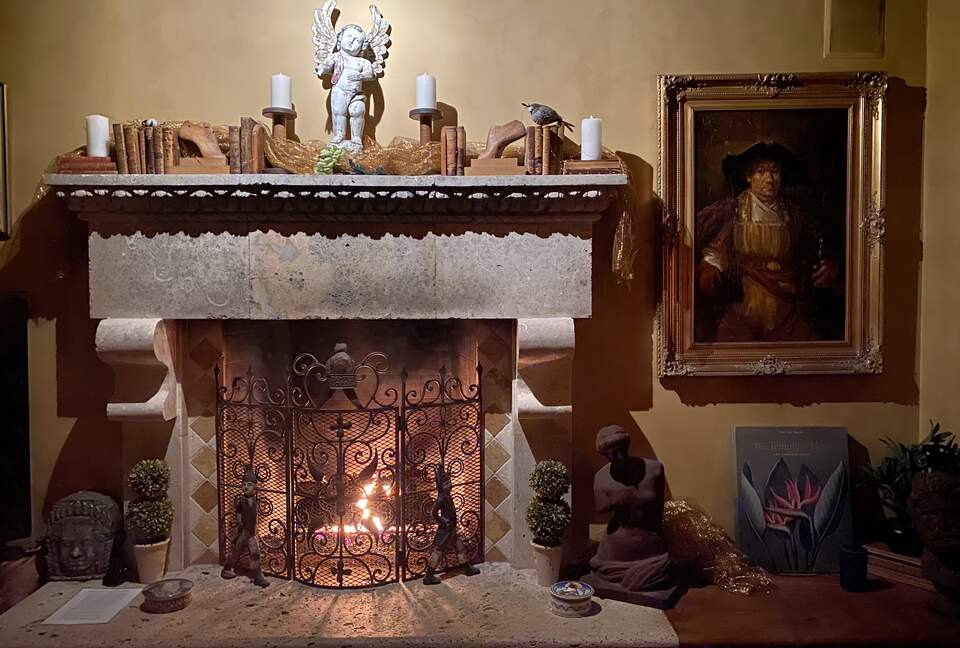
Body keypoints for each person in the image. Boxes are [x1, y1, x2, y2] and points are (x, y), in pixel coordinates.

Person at [695, 142, 840, 342]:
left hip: (787, 304)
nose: (769, 179)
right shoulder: (733, 211)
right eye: (761, 171)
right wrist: (710, 265)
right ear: (749, 177)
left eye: (775, 172)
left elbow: (816, 248)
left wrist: (829, 265)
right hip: (743, 303)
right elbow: (716, 249)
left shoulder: (794, 215)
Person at [583, 425, 680, 608]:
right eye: (612, 452)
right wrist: (622, 498)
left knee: (660, 573)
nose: (619, 455)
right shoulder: (601, 478)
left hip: (650, 545)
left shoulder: (654, 469)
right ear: (604, 454)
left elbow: (658, 509)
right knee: (603, 574)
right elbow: (601, 508)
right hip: (616, 547)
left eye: (622, 449)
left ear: (628, 445)